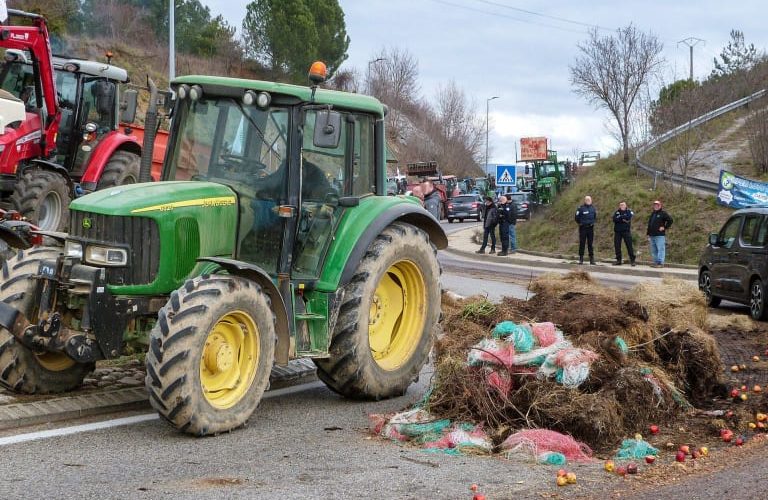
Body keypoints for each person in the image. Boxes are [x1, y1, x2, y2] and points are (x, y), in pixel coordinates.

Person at [647, 200, 673, 268]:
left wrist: (664, 227)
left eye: (657, 205)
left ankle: (660, 263)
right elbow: (650, 224)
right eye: (655, 205)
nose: (655, 206)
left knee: (660, 249)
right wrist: (648, 234)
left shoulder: (663, 213)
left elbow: (670, 220)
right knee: (654, 250)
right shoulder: (653, 213)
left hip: (659, 235)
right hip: (652, 235)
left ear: (660, 206)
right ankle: (655, 262)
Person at [612, 201, 636, 266]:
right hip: (617, 232)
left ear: (626, 205)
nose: (622, 206)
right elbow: (614, 219)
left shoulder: (629, 211)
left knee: (629, 246)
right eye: (621, 205)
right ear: (619, 206)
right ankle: (618, 260)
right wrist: (622, 218)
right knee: (617, 246)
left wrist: (620, 217)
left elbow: (628, 217)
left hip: (626, 231)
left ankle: (632, 260)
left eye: (623, 205)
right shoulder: (617, 212)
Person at [574, 195, 596, 264]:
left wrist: (592, 222)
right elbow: (576, 217)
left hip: (590, 228)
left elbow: (595, 216)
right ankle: (581, 259)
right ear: (585, 201)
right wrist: (580, 223)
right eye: (587, 200)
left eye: (589, 200)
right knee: (582, 243)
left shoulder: (593, 208)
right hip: (583, 228)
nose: (588, 201)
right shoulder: (580, 208)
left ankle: (591, 259)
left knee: (590, 244)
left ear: (591, 200)